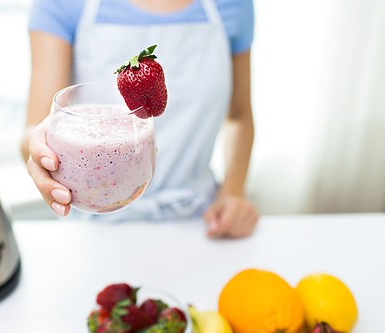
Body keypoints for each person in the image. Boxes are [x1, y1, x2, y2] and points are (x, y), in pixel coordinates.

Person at [21, 0, 259, 238]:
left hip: (198, 221)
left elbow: (238, 116)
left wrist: (233, 189)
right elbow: (38, 126)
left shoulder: (232, 5)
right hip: (93, 226)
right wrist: (40, 154)